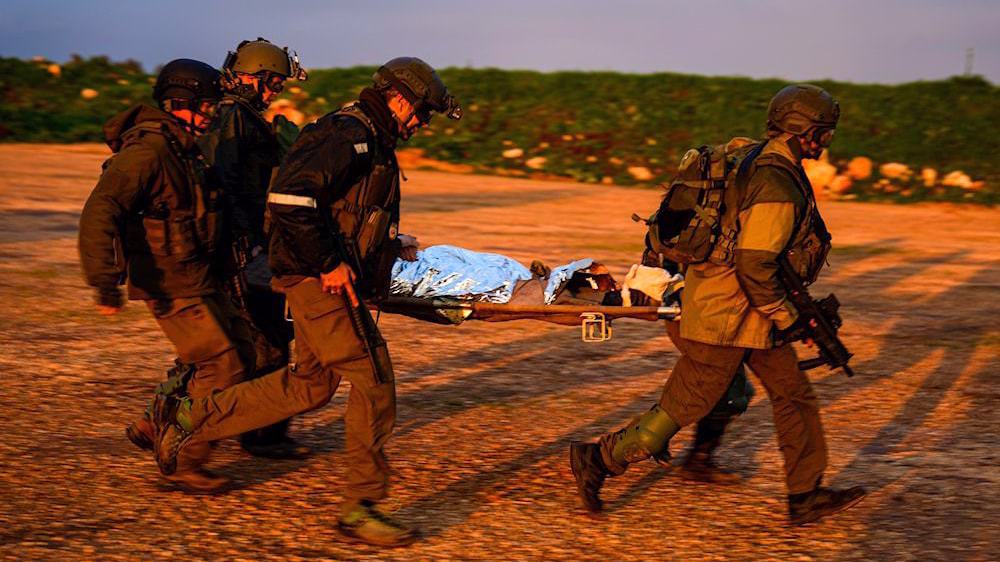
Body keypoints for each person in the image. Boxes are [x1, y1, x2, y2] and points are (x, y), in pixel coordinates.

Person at [149, 57, 462, 547]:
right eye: (422, 112)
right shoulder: (349, 134)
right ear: (399, 98)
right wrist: (327, 263)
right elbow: (291, 201)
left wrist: (383, 244)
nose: (422, 123)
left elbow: (340, 211)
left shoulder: (369, 137)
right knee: (374, 380)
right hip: (318, 280)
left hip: (320, 275)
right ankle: (360, 507)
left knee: (309, 386)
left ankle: (192, 418)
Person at [570, 84, 866, 526]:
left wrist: (787, 317)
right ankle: (598, 459)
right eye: (824, 131)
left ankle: (804, 495)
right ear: (804, 130)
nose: (827, 140)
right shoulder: (776, 182)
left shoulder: (755, 158)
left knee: (793, 394)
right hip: (726, 316)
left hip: (748, 314)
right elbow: (755, 263)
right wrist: (789, 316)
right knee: (682, 406)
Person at [79, 59, 254, 493]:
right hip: (169, 281)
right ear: (180, 104)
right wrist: (105, 280)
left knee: (243, 350)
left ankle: (154, 423)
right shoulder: (149, 152)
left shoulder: (182, 146)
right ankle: (183, 462)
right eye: (207, 107)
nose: (213, 116)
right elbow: (102, 209)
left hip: (197, 275)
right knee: (221, 366)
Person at [198, 37, 310, 459]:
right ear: (253, 78)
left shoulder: (237, 117)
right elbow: (229, 188)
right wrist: (248, 246)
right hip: (239, 251)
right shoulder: (232, 119)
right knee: (262, 344)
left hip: (245, 247)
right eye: (273, 83)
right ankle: (259, 435)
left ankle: (259, 432)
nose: (274, 93)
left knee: (261, 342)